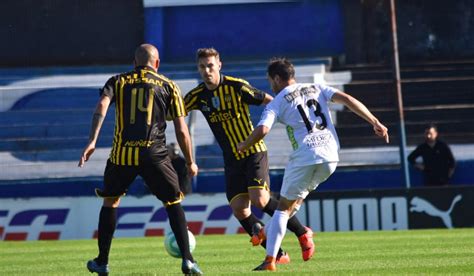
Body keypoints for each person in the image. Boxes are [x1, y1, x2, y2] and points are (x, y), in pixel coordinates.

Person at [237, 57, 389, 271]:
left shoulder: (277, 101)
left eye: (271, 80)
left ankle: (270, 259)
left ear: (277, 79)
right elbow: (346, 98)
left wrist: (244, 144)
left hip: (305, 157)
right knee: (293, 204)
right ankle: (287, 234)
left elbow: (263, 130)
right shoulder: (317, 87)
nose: (270, 84)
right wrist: (375, 121)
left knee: (282, 208)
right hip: (330, 157)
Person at [78, 44, 203, 275]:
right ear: (157, 63)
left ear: (134, 62)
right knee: (173, 202)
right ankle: (188, 260)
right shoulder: (169, 85)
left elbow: (101, 106)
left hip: (122, 154)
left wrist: (92, 140)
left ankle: (102, 261)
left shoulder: (117, 81)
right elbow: (182, 130)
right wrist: (190, 160)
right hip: (154, 154)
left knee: (111, 201)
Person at [184, 48, 314, 264]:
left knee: (260, 199)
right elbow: (174, 111)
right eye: (202, 67)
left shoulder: (236, 86)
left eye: (210, 65)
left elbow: (269, 100)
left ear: (219, 65)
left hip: (253, 151)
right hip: (231, 159)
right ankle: (279, 255)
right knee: (239, 209)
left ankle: (302, 232)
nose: (206, 70)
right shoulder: (198, 96)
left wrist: (283, 122)